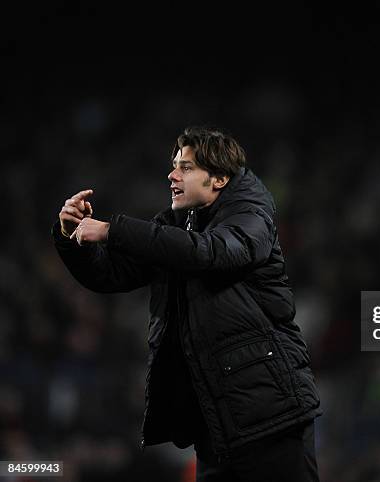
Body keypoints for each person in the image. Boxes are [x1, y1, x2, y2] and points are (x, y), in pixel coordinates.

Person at [52, 126, 322, 482]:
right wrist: (70, 238)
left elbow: (213, 253)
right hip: (214, 424)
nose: (172, 174)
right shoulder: (179, 225)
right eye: (173, 165)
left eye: (186, 167)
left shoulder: (251, 215)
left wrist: (111, 230)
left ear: (219, 178)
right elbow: (112, 275)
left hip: (270, 416)